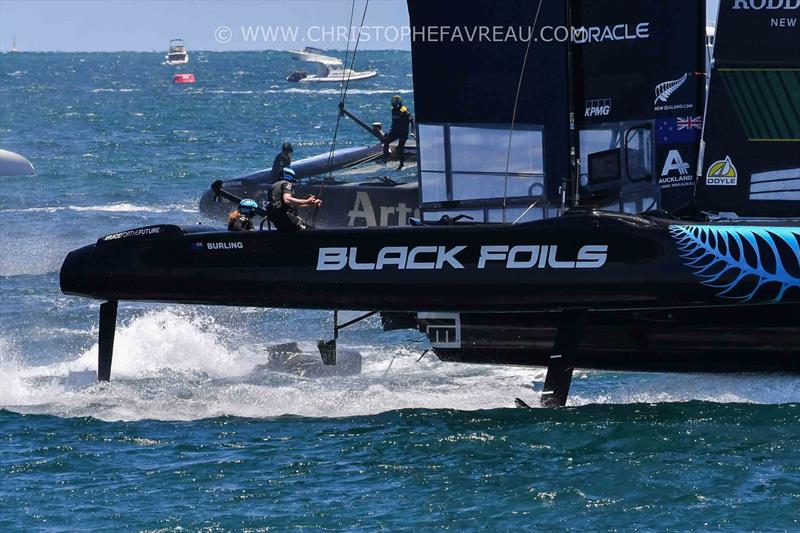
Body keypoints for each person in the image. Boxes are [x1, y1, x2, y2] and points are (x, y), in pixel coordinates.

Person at [266, 167, 322, 232]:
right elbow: (287, 200)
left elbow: (288, 204)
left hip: (276, 220)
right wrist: (307, 201)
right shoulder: (286, 184)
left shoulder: (274, 186)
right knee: (312, 231)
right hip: (285, 217)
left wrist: (309, 203)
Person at [382, 95, 413, 170]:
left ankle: (402, 164)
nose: (394, 104)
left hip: (403, 131)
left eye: (395, 102)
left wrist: (412, 131)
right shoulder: (393, 110)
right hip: (395, 131)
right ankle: (386, 158)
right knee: (386, 141)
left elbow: (412, 120)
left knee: (399, 148)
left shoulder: (404, 110)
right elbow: (395, 122)